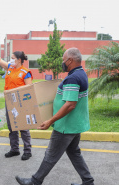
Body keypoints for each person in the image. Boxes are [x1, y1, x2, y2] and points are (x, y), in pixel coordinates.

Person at [15, 48, 94, 185]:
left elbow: (70, 105)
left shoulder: (73, 78)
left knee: (51, 155)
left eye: (64, 60)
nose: (63, 63)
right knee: (74, 153)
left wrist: (50, 121)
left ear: (70, 60)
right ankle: (88, 181)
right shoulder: (81, 73)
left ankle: (35, 181)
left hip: (65, 126)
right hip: (75, 124)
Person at [0, 47, 33, 160]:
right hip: (9, 101)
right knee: (12, 126)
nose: (10, 60)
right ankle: (15, 149)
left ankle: (27, 151)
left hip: (20, 103)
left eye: (12, 58)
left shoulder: (25, 73)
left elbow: (29, 90)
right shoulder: (10, 67)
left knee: (23, 127)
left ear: (19, 60)